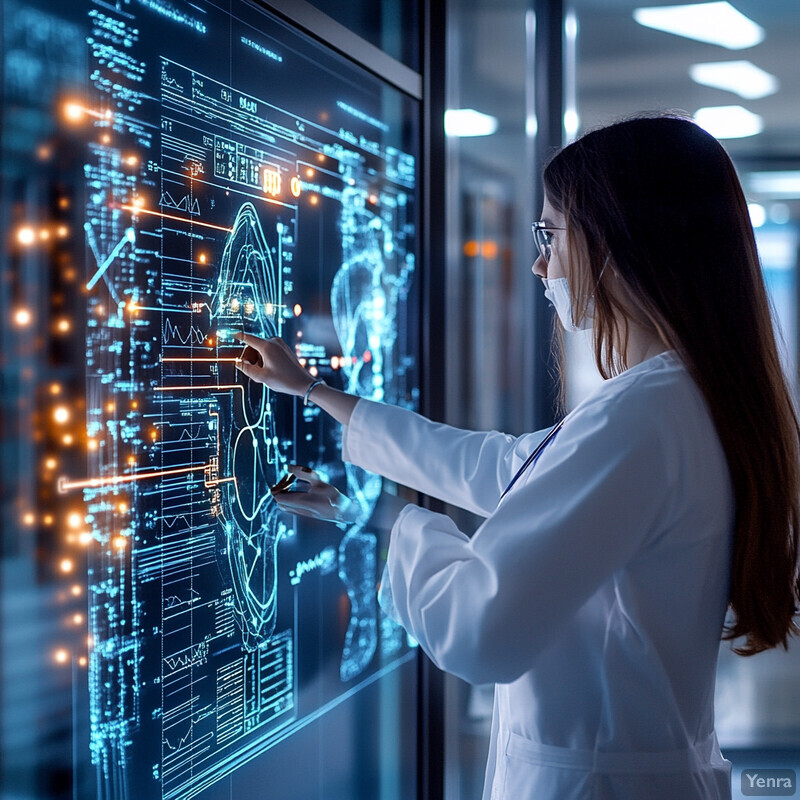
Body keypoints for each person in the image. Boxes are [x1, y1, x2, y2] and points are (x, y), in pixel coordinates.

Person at [234, 114, 800, 800]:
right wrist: (316, 392)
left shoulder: (645, 420)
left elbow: (480, 629)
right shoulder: (678, 400)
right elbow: (506, 469)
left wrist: (378, 520)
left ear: (615, 245)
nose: (538, 263)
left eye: (549, 235)